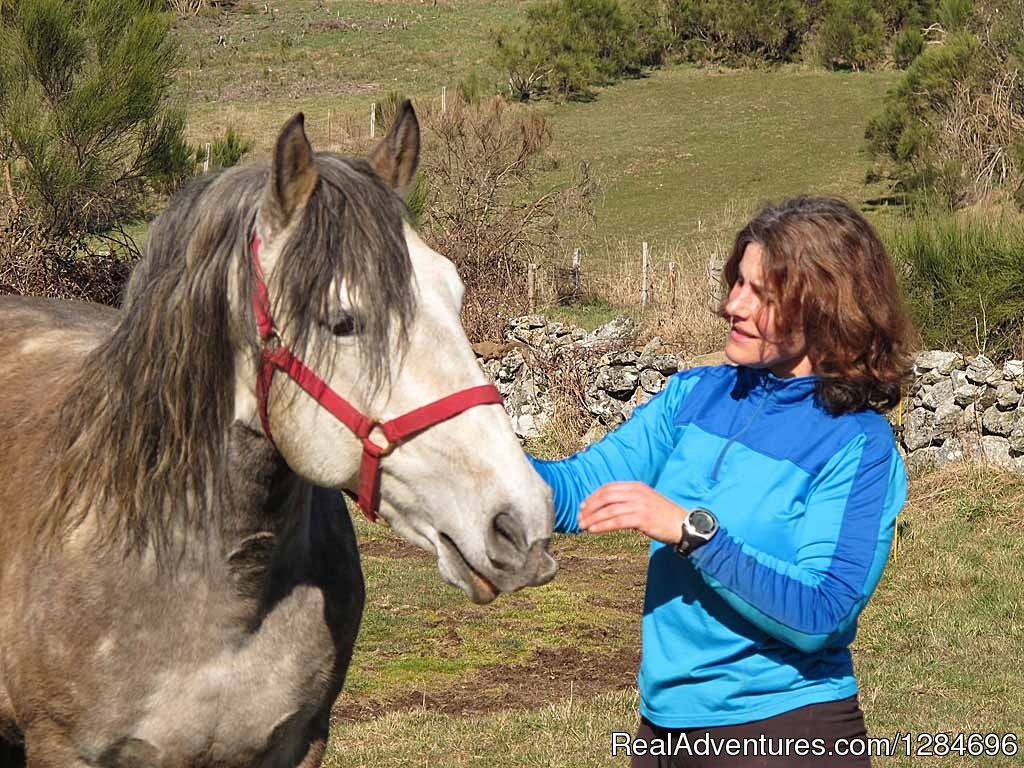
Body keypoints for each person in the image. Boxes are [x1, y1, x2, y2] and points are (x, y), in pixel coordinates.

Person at [529, 196, 912, 768]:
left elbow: (822, 613)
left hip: (786, 734)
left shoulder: (857, 445)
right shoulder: (695, 394)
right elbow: (578, 487)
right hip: (663, 731)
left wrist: (690, 532)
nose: (732, 304)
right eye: (737, 282)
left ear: (824, 308)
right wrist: (463, 459)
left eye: (761, 293)